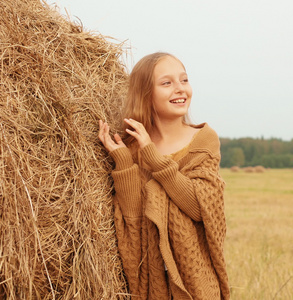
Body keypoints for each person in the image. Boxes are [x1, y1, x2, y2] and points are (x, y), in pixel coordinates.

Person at [98, 52, 230, 299]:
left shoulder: (203, 140)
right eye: (167, 83)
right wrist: (125, 161)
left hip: (196, 283)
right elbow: (133, 219)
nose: (180, 89)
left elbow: (200, 207)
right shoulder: (134, 146)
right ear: (145, 94)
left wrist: (154, 157)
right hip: (153, 280)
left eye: (184, 80)